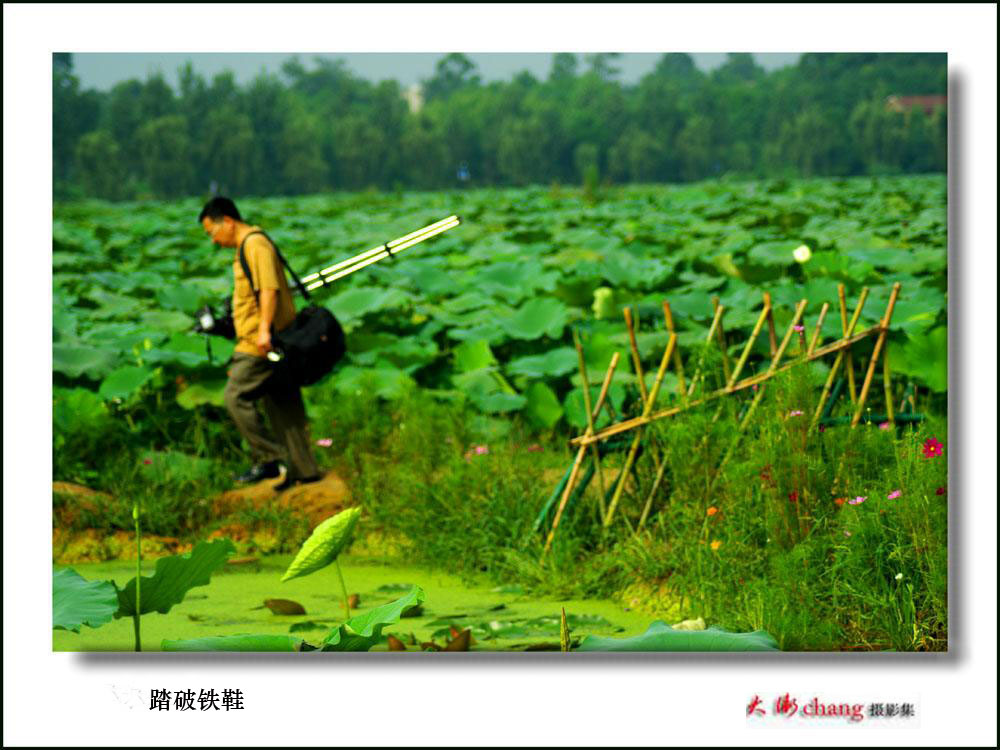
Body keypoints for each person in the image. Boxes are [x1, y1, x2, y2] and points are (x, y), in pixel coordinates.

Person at [198, 196, 321, 490]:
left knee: (235, 396)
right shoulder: (249, 245)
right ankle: (304, 470)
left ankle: (270, 459)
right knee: (282, 402)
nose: (214, 241)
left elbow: (269, 290)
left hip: (259, 342)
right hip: (267, 338)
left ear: (227, 221)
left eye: (212, 233)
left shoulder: (254, 244)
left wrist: (264, 330)